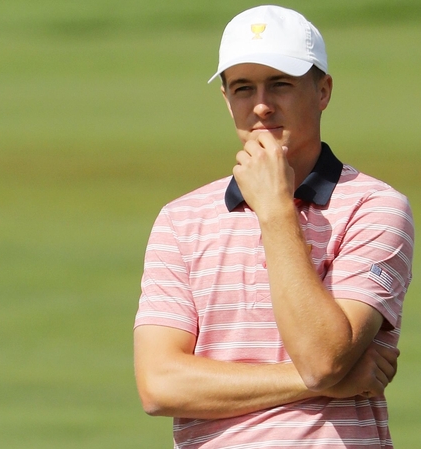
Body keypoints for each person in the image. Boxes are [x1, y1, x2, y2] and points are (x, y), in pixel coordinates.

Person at [133, 5, 413, 448]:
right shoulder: (180, 219)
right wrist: (322, 381)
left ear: (323, 91)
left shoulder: (374, 207)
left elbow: (322, 358)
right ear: (227, 101)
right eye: (244, 88)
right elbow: (160, 385)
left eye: (281, 84)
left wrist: (276, 210)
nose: (261, 105)